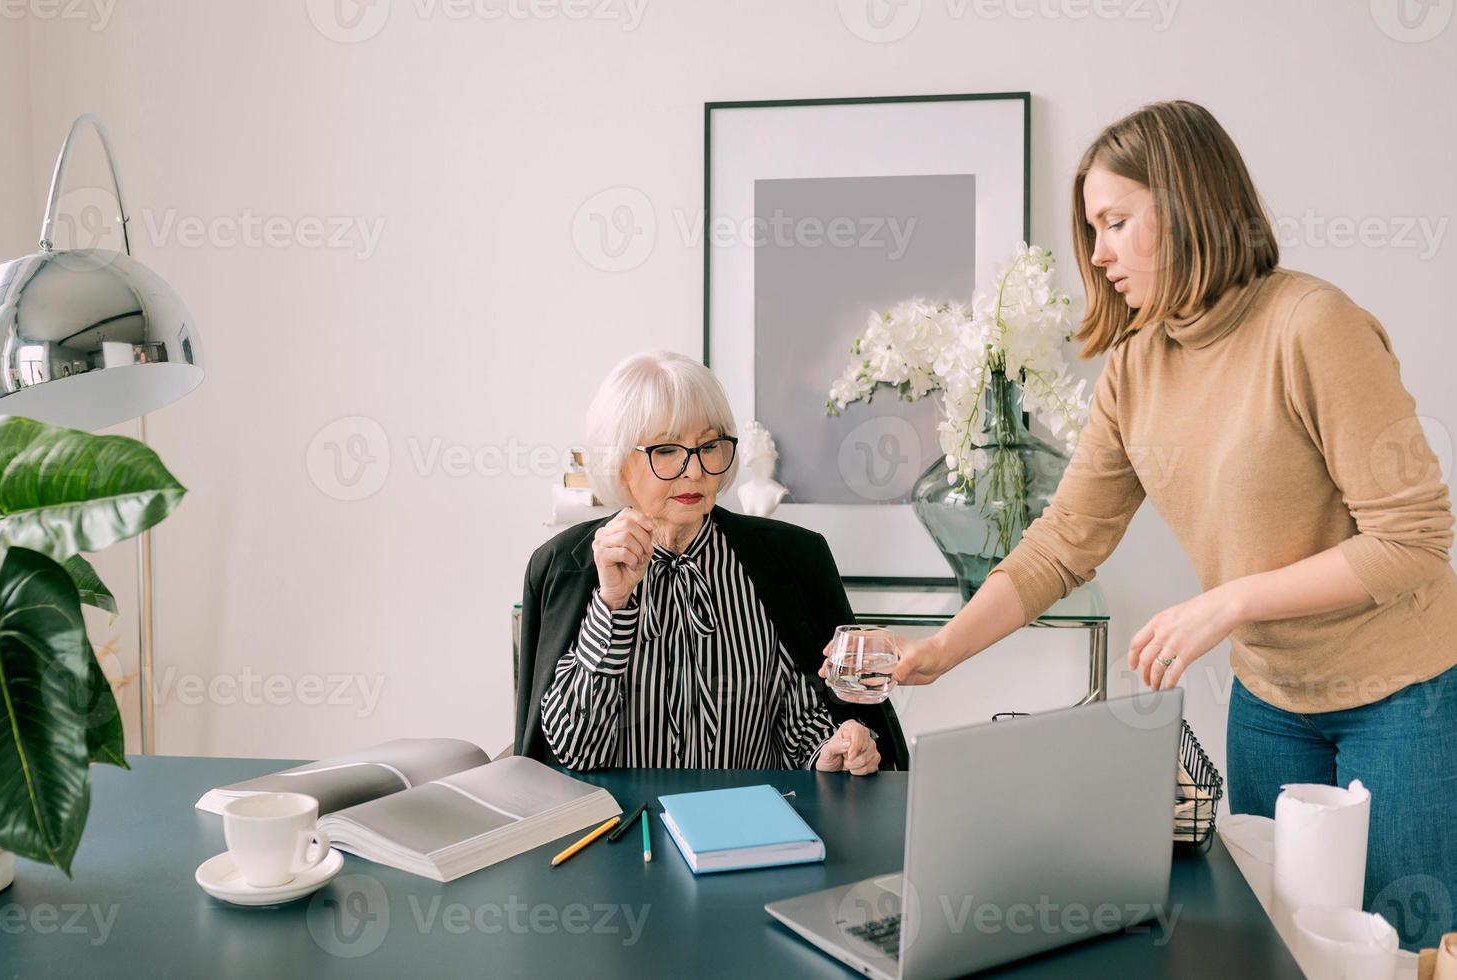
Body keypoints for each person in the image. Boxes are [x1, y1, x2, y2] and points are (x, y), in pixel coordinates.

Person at [841, 100, 1456, 950]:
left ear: (1189, 205)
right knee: (1281, 945)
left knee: (1397, 950)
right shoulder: (1136, 365)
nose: (1096, 253)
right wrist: (939, 652)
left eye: (1116, 221)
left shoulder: (1312, 325)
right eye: (1091, 228)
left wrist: (1230, 601)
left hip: (1402, 697)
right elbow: (1063, 542)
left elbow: (1414, 540)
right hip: (1271, 703)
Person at [516, 350, 907, 774]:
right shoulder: (561, 567)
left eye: (709, 446)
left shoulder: (792, 558)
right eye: (666, 450)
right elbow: (575, 753)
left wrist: (829, 749)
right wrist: (611, 604)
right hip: (622, 827)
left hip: (750, 823)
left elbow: (800, 714)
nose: (695, 471)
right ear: (619, 465)